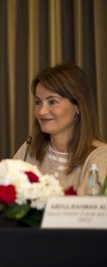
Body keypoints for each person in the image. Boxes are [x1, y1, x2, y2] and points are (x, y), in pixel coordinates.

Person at [14, 63, 107, 195]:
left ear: (78, 107)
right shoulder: (29, 149)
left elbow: (86, 213)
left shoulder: (101, 156)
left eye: (52, 102)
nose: (41, 111)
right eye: (38, 102)